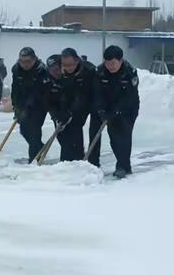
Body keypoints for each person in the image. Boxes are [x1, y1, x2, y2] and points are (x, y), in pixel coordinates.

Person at [90, 45, 140, 179]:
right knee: (113, 137)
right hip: (107, 106)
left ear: (121, 60)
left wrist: (116, 111)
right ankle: (121, 164)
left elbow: (129, 97)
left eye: (113, 63)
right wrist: (101, 110)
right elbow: (97, 93)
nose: (110, 66)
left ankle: (123, 166)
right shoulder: (100, 71)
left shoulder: (130, 72)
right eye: (107, 63)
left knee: (123, 135)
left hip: (128, 109)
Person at [11, 47, 48, 163]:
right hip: (23, 103)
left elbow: (38, 92)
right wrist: (16, 107)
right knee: (24, 130)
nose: (25, 64)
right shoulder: (17, 70)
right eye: (22, 61)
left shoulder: (41, 70)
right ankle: (40, 147)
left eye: (28, 62)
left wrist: (28, 108)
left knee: (34, 130)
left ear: (34, 59)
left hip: (40, 104)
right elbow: (15, 89)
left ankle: (34, 158)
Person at [59, 48, 96, 161]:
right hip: (73, 101)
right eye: (65, 65)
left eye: (71, 64)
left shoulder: (88, 70)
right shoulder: (61, 73)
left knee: (79, 126)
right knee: (64, 129)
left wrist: (74, 109)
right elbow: (63, 94)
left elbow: (86, 94)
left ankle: (89, 159)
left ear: (77, 61)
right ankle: (68, 158)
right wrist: (64, 110)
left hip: (91, 101)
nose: (68, 67)